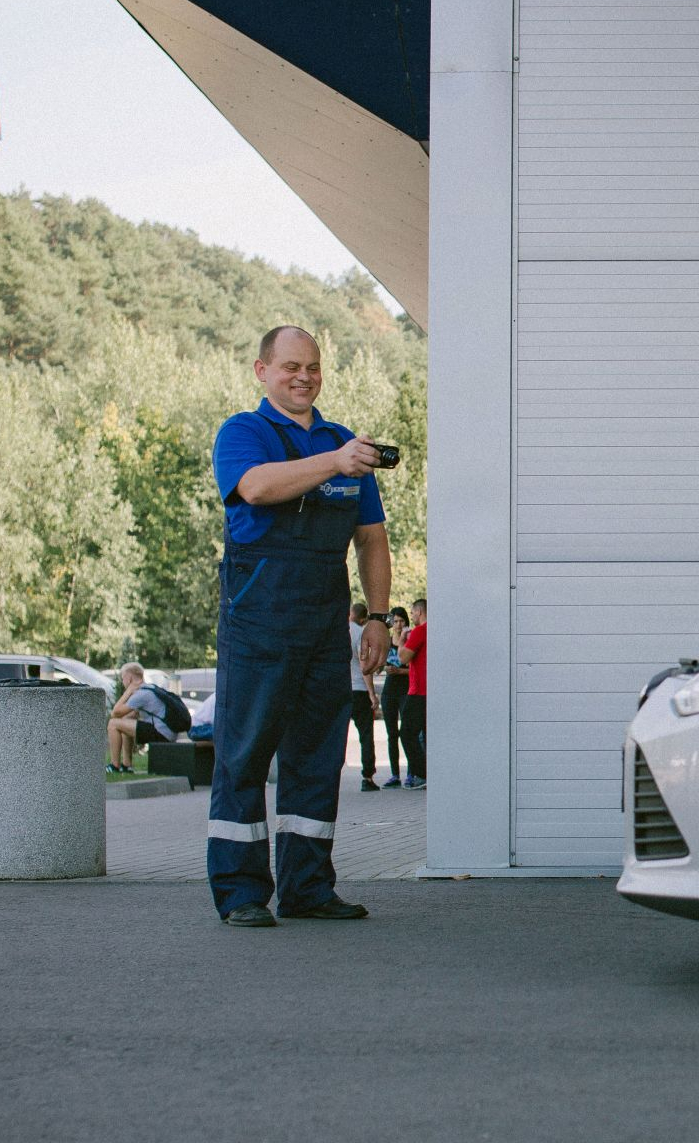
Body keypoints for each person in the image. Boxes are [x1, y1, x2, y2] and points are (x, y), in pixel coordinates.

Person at [207, 325, 395, 928]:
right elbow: (256, 487)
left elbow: (371, 539)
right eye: (290, 366)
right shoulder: (244, 432)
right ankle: (240, 893)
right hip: (258, 616)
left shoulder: (344, 443)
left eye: (312, 367)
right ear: (262, 371)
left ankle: (308, 888)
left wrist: (378, 618)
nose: (304, 377)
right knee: (245, 752)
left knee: (317, 755)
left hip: (323, 618)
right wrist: (335, 463)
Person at [108, 663, 172, 774]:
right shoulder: (149, 688)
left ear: (129, 678)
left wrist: (128, 691)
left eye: (123, 678)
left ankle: (114, 766)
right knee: (124, 723)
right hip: (167, 732)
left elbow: (115, 713)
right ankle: (127, 765)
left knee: (113, 724)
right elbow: (131, 715)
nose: (123, 682)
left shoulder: (141, 693)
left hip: (161, 733)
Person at [347, 602, 380, 792]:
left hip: (342, 690)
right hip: (359, 690)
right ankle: (367, 777)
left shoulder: (339, 631)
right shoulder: (361, 633)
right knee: (366, 735)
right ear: (363, 618)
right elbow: (364, 664)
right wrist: (372, 694)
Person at [379, 606, 410, 788]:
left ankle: (412, 772)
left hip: (405, 689)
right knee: (392, 734)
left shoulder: (410, 640)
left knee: (407, 732)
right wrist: (384, 666)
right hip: (389, 690)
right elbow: (378, 665)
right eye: (395, 621)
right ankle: (394, 774)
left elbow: (416, 668)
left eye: (401, 621)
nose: (398, 625)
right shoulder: (387, 641)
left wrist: (400, 671)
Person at [398, 598, 426, 789]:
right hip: (430, 691)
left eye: (413, 612)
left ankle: (422, 773)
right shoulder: (436, 630)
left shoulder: (419, 631)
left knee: (407, 733)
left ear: (419, 612)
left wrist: (402, 639)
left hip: (418, 691)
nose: (412, 616)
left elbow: (403, 658)